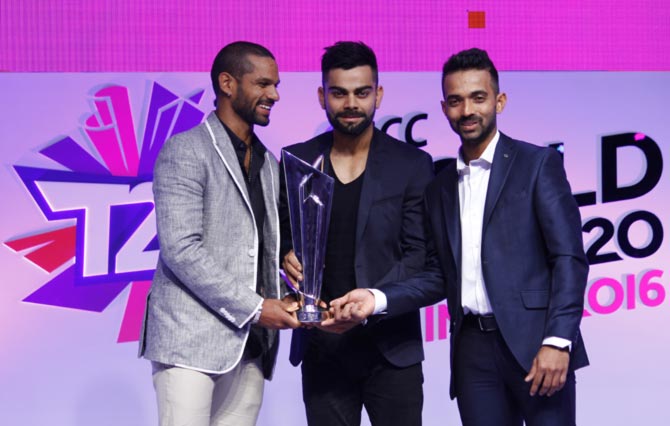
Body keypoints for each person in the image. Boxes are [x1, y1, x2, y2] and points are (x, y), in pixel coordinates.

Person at [328, 48, 589, 426]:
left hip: (537, 345)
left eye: (478, 97)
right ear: (444, 107)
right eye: (456, 100)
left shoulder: (538, 165)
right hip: (472, 353)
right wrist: (376, 298)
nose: (467, 110)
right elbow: (438, 277)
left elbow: (569, 258)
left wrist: (558, 341)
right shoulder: (440, 186)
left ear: (499, 100)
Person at [139, 41, 301, 426]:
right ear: (227, 83)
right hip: (190, 340)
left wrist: (289, 268)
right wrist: (258, 307)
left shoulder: (269, 164)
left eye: (276, 85)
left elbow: (258, 246)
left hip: (252, 346)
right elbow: (181, 250)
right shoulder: (186, 150)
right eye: (263, 84)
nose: (274, 95)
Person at [279, 41, 434, 426]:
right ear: (322, 96)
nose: (351, 103)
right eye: (339, 93)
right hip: (322, 347)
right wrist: (284, 257)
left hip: (392, 347)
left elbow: (418, 257)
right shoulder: (296, 161)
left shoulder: (411, 165)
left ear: (378, 94)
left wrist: (369, 303)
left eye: (362, 92)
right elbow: (278, 238)